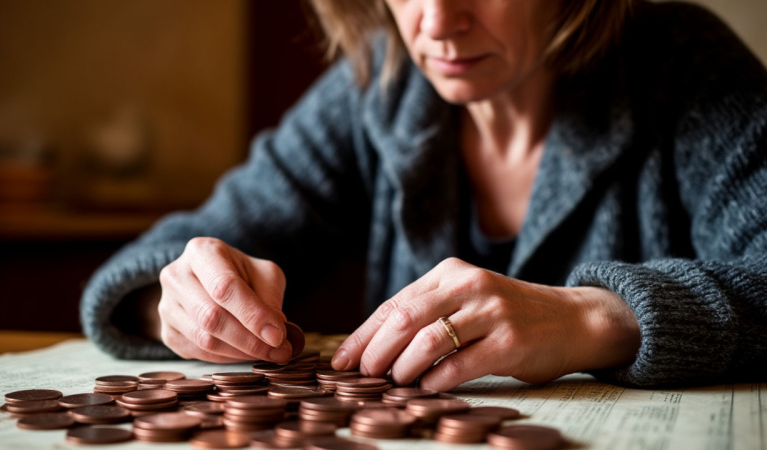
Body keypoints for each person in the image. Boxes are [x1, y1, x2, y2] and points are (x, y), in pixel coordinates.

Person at [81, 0, 767, 392]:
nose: (435, 21)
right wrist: (172, 300)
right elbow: (167, 257)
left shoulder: (685, 65)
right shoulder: (377, 89)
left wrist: (596, 319)